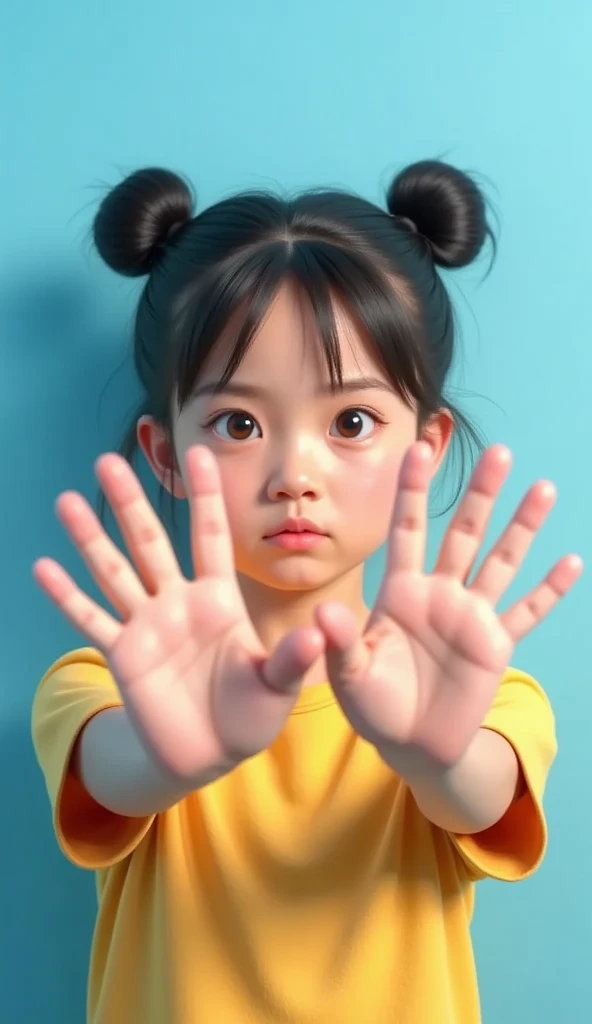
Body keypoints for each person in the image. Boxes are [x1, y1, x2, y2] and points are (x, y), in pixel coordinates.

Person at [31, 160, 582, 1024]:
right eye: (238, 423)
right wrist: (173, 754)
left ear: (425, 447)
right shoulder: (105, 688)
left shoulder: (480, 697)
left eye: (351, 422)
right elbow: (116, 773)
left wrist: (436, 755)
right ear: (166, 454)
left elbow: (477, 787)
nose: (296, 474)